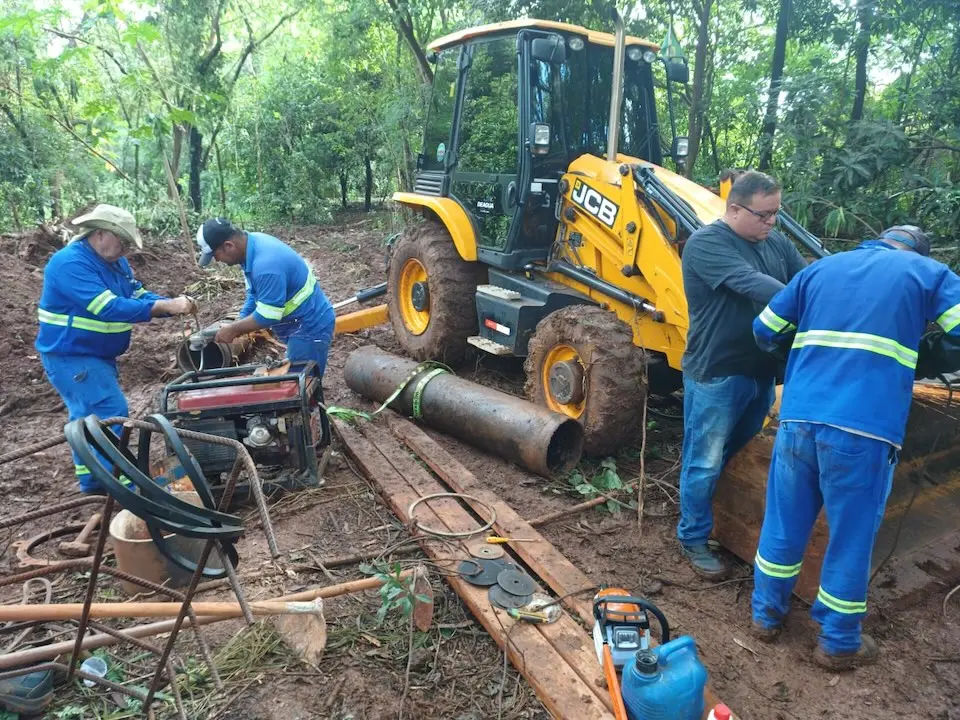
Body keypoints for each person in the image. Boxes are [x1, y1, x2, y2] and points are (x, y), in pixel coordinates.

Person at [750, 225, 960, 669]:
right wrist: (927, 357)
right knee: (851, 537)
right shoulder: (929, 274)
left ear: (879, 240)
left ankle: (765, 616)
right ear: (916, 251)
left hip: (799, 418)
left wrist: (806, 362)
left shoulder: (820, 269)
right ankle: (838, 642)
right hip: (864, 428)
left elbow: (764, 329)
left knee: (783, 523)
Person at [678, 170, 808, 578]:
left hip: (761, 371)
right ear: (735, 209)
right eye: (763, 215)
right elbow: (754, 284)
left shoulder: (776, 242)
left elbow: (806, 277)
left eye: (776, 213)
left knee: (733, 451)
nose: (772, 222)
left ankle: (715, 512)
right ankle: (692, 536)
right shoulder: (707, 243)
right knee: (704, 460)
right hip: (718, 372)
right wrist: (818, 299)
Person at [36, 204, 197, 494]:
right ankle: (123, 487)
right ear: (100, 234)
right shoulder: (69, 264)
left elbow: (139, 295)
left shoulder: (117, 264)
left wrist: (169, 305)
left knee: (85, 419)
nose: (124, 248)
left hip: (95, 355)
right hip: (72, 355)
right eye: (121, 240)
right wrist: (164, 306)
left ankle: (93, 482)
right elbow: (107, 307)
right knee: (111, 411)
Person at [195, 219, 335, 377]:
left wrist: (234, 329)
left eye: (215, 255)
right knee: (298, 379)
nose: (217, 260)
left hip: (309, 326)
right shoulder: (250, 247)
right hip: (298, 323)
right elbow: (254, 294)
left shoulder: (265, 265)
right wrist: (241, 319)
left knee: (303, 383)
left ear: (228, 246)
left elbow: (268, 316)